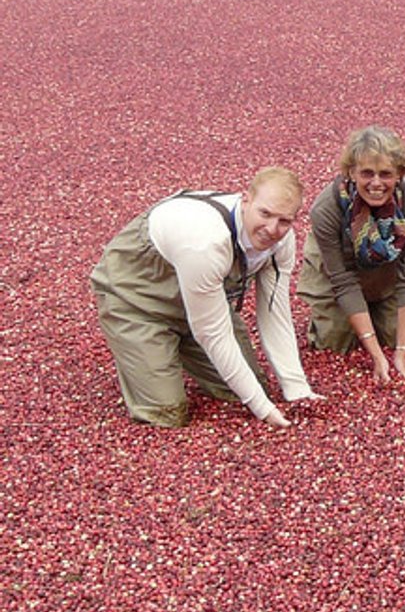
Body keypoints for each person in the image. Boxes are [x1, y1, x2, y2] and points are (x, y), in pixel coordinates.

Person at [89, 168, 321, 427]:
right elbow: (212, 332)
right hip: (138, 300)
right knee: (167, 414)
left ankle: (175, 350)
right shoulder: (205, 241)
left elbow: (274, 313)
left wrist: (297, 389)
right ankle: (147, 350)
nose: (272, 229)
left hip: (203, 305)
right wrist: (263, 410)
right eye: (264, 214)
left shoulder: (281, 242)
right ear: (246, 200)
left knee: (248, 389)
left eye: (284, 221)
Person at [297, 126, 405, 385]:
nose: (376, 183)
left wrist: (400, 353)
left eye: (386, 174)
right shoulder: (326, 209)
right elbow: (342, 279)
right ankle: (339, 315)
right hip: (337, 272)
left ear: (400, 175)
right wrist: (377, 356)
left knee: (398, 336)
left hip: (390, 270)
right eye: (367, 173)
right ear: (351, 172)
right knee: (332, 343)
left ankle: (379, 308)